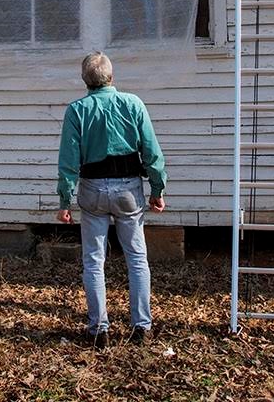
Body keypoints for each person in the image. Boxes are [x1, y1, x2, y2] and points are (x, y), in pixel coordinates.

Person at [56, 52, 167, 349]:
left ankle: (98, 329)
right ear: (111, 77)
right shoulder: (133, 104)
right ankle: (141, 327)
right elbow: (152, 153)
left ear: (84, 80)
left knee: (94, 260)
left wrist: (65, 201)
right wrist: (157, 190)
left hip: (92, 188)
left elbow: (68, 161)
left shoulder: (77, 111)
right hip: (129, 188)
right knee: (137, 258)